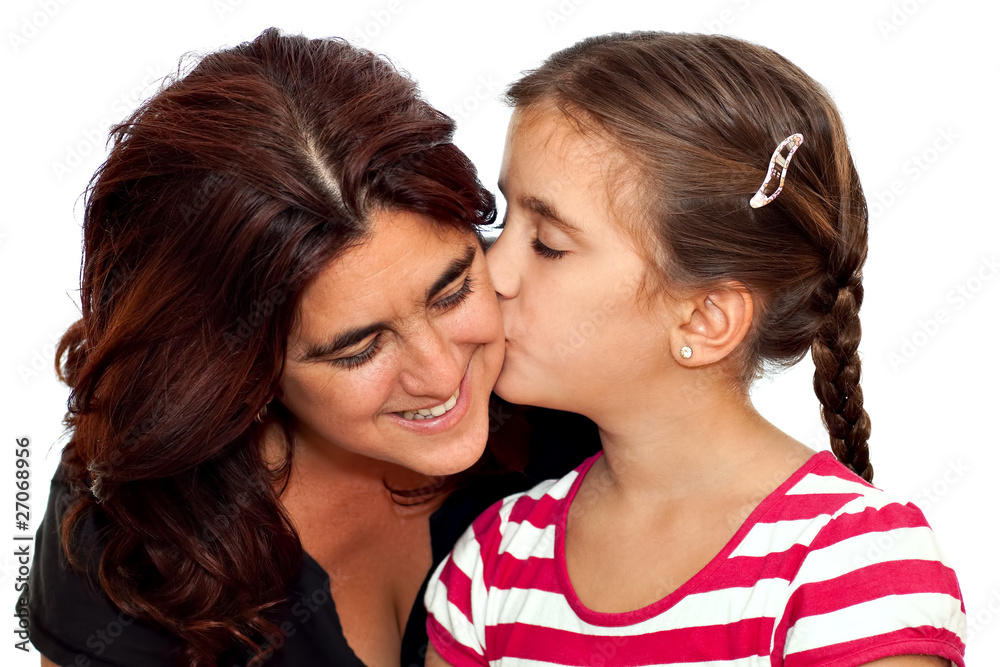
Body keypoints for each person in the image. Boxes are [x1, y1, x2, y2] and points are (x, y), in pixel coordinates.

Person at [25, 28, 600, 667]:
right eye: (358, 350)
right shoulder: (135, 537)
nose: (441, 374)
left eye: (453, 291)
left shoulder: (576, 388)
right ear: (242, 370)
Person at [424, 32, 966, 666]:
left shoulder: (853, 569)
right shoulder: (492, 563)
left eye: (548, 244)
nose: (492, 272)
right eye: (503, 220)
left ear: (705, 319)